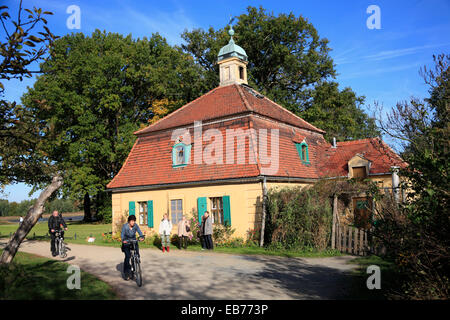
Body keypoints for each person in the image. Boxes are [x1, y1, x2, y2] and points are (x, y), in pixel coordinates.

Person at [121, 215, 144, 280]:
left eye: (133, 221)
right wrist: (123, 240)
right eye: (131, 221)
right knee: (128, 256)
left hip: (133, 240)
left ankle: (137, 258)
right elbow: (122, 234)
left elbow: (139, 231)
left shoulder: (135, 226)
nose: (132, 223)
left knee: (136, 248)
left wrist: (141, 237)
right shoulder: (125, 226)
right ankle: (126, 273)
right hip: (126, 241)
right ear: (129, 221)